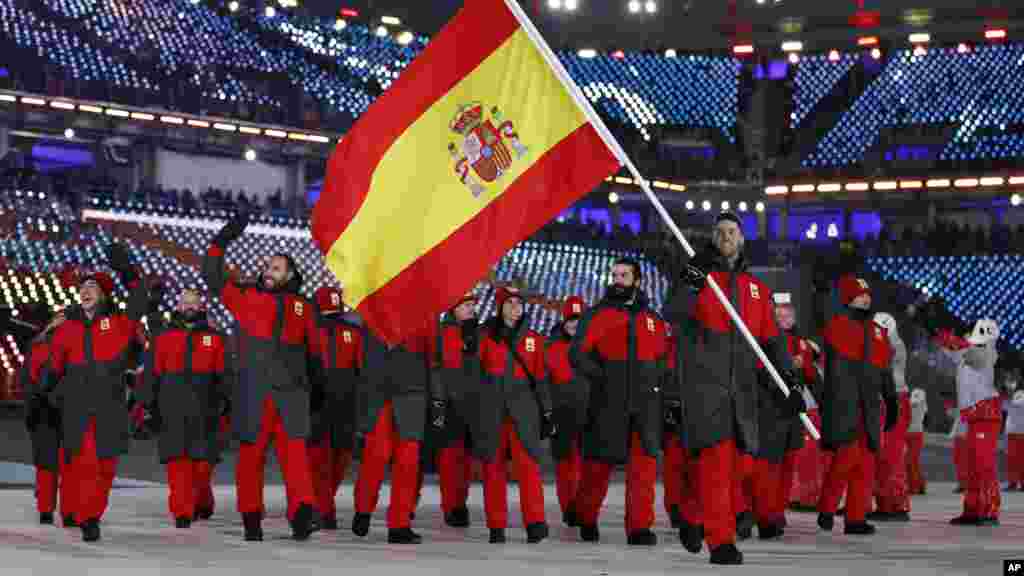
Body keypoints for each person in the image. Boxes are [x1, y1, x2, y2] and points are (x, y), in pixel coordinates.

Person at [673, 212, 801, 565]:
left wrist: (788, 381)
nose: (726, 236)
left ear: (742, 239)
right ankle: (721, 541)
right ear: (713, 239)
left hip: (744, 389)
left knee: (740, 468)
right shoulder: (700, 278)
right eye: (720, 232)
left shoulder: (757, 289)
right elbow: (676, 315)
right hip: (708, 387)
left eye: (732, 231)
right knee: (717, 466)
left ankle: (694, 515)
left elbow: (773, 342)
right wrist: (691, 279)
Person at [203, 210, 317, 542]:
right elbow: (213, 276)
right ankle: (251, 518)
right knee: (249, 460)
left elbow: (316, 353)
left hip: (292, 395)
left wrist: (318, 392)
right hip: (253, 394)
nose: (268, 271)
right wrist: (222, 241)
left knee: (296, 458)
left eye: (276, 267)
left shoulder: (304, 307)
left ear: (291, 274)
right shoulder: (245, 298)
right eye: (266, 266)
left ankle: (302, 515)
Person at [44, 245, 147, 542]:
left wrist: (128, 272)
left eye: (93, 287)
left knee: (105, 465)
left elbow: (140, 300)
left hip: (110, 404)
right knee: (81, 461)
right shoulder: (67, 326)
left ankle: (89, 512)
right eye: (84, 287)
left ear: (104, 295)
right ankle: (84, 515)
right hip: (76, 403)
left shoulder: (118, 323)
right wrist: (45, 390)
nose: (86, 291)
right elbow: (54, 363)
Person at [570, 259, 669, 546]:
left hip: (645, 403)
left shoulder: (653, 319)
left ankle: (639, 528)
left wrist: (655, 378)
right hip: (608, 401)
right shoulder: (596, 315)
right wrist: (602, 377)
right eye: (614, 274)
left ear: (637, 281)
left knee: (644, 466)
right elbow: (577, 354)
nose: (617, 279)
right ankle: (586, 517)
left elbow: (664, 356)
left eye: (624, 275)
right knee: (597, 465)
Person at [137, 288, 227, 527]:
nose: (189, 306)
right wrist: (147, 405)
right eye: (185, 302)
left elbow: (225, 377)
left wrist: (224, 406)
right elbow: (151, 374)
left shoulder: (216, 338)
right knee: (178, 464)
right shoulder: (163, 338)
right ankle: (182, 512)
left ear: (201, 307)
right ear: (177, 306)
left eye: (193, 303)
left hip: (205, 412)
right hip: (171, 409)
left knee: (201, 467)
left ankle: (202, 502)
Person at [474, 284, 554, 544]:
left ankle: (535, 522)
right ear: (499, 307)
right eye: (509, 303)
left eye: (519, 303)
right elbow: (474, 371)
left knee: (528, 466)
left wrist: (548, 411)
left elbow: (541, 379)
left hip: (525, 409)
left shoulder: (535, 339)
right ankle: (496, 526)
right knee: (493, 468)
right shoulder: (484, 337)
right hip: (491, 408)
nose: (515, 307)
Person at [817, 275, 897, 536]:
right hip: (846, 404)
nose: (866, 297)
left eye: (867, 294)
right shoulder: (837, 326)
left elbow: (884, 370)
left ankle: (855, 518)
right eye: (860, 294)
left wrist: (891, 399)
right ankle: (828, 508)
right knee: (845, 459)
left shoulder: (878, 332)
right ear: (848, 298)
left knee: (865, 464)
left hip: (869, 407)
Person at [352, 321, 436, 544]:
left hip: (412, 397)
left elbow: (433, 363)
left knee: (408, 465)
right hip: (379, 398)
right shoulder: (372, 319)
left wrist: (437, 405)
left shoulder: (425, 321)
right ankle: (363, 508)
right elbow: (361, 363)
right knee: (374, 458)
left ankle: (399, 524)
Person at [935, 319, 1001, 525]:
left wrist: (955, 341)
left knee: (983, 464)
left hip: (986, 415)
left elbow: (971, 354)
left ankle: (989, 510)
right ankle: (972, 510)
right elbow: (952, 350)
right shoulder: (967, 354)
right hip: (973, 416)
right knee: (971, 465)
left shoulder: (988, 353)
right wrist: (940, 333)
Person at [307, 286, 361, 530]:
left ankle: (322, 504)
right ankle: (324, 510)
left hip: (344, 403)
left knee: (340, 458)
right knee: (321, 459)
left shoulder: (353, 333)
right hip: (317, 402)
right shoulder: (308, 333)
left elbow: (362, 371)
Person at [433, 290, 482, 528]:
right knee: (451, 459)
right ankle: (452, 506)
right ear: (453, 308)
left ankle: (459, 503)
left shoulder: (477, 333)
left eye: (473, 304)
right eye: (466, 305)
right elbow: (446, 370)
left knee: (464, 459)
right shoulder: (446, 333)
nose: (471, 308)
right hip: (452, 403)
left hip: (472, 403)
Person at [20, 304, 70, 526]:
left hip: (67, 409)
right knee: (47, 464)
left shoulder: (77, 345)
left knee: (67, 465)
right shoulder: (38, 345)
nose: (61, 321)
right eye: (59, 317)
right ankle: (46, 510)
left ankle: (65, 510)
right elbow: (29, 380)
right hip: (46, 409)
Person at [545, 296, 589, 527]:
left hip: (587, 413)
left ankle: (583, 506)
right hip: (562, 414)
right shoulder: (550, 348)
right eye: (571, 319)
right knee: (565, 464)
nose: (574, 324)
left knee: (585, 464)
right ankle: (569, 508)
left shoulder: (592, 347)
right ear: (563, 322)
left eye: (578, 319)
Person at [870, 312, 911, 521]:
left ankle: (896, 506)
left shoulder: (894, 346)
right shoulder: (886, 344)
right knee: (883, 455)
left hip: (895, 400)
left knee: (892, 455)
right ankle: (886, 504)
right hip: (885, 400)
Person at [906, 388, 928, 495]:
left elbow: (916, 403)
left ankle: (914, 486)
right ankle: (920, 485)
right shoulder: (912, 403)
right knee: (911, 462)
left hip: (916, 435)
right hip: (908, 434)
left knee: (911, 461)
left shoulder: (921, 405)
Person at [1004, 377, 1024, 491]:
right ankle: (1012, 482)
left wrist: (1010, 394)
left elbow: (1017, 405)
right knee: (1011, 459)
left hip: (1021, 432)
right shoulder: (1013, 396)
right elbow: (1005, 407)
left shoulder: (1022, 395)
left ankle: (1022, 482)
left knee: (1021, 459)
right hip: (1011, 432)